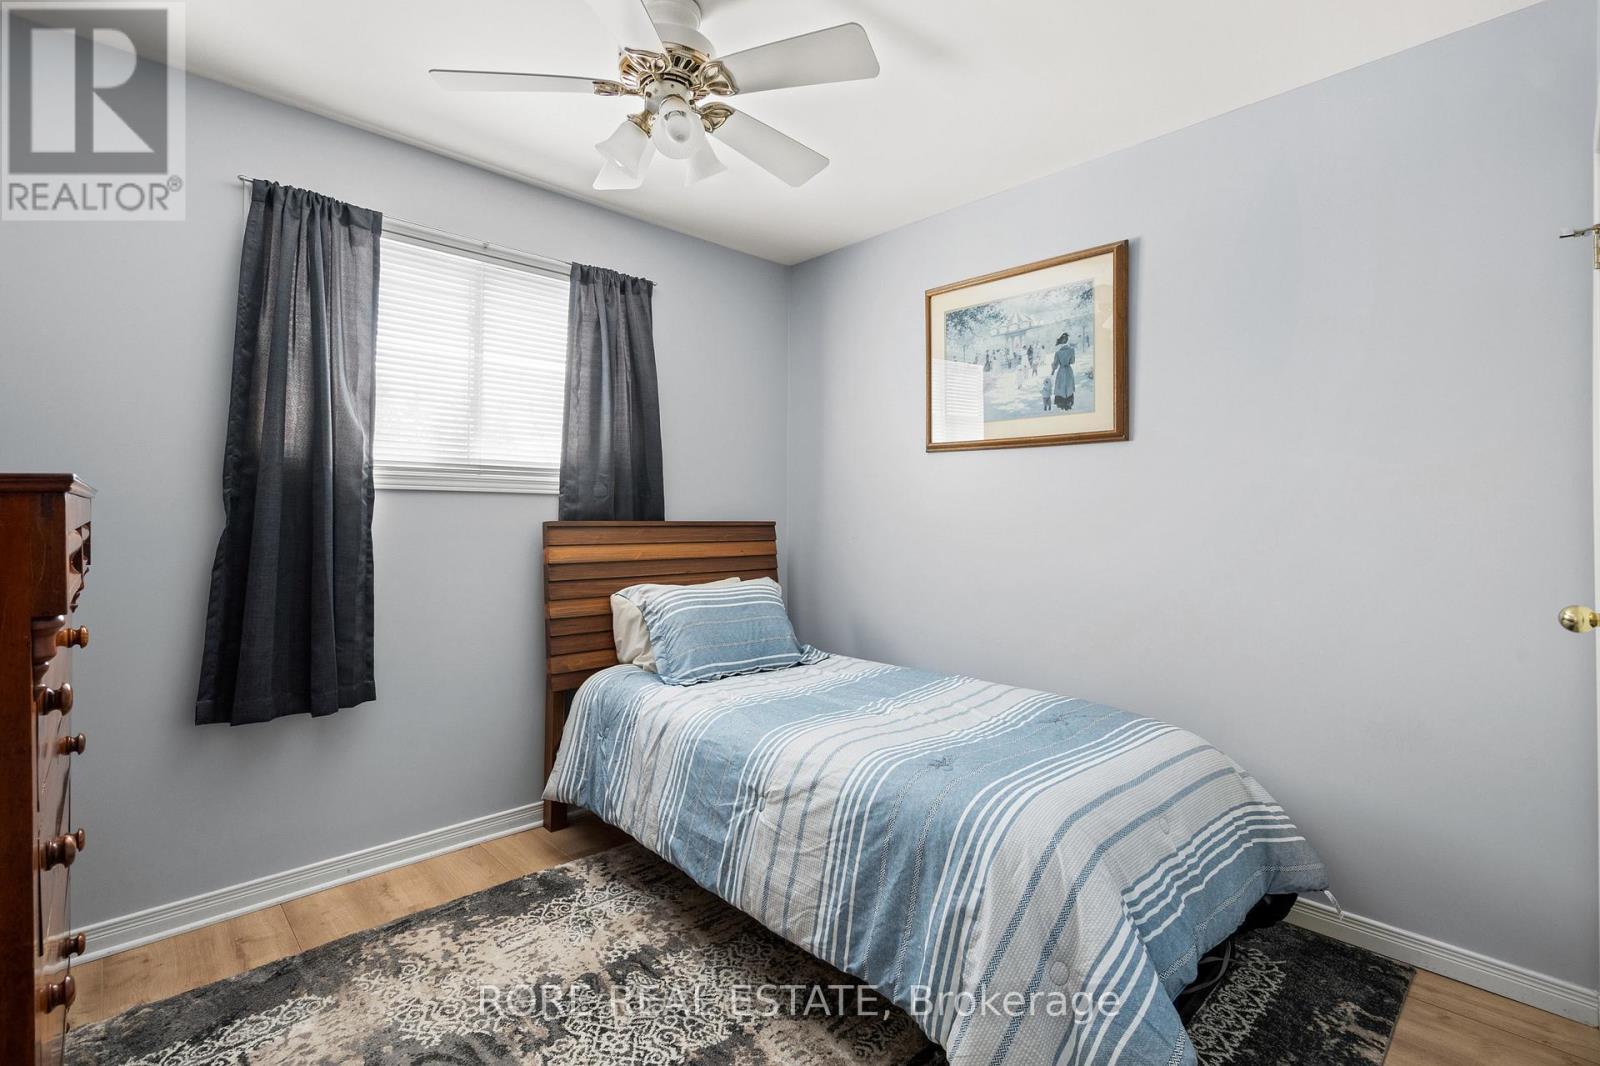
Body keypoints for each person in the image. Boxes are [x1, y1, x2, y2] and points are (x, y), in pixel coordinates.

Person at [1051, 331, 1076, 411]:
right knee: (1068, 386)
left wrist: (1052, 371)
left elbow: (1055, 365)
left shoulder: (1058, 352)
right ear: (1067, 340)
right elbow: (1072, 361)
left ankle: (1061, 404)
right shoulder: (1071, 350)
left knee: (1061, 386)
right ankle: (1068, 403)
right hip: (1068, 370)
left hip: (1061, 370)